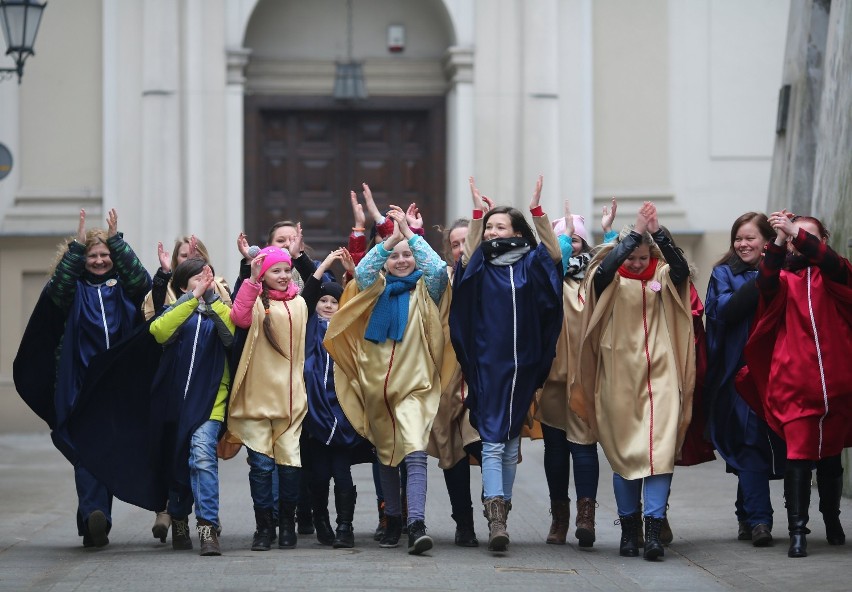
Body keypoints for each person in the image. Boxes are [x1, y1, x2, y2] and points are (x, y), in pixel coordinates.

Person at [14, 208, 151, 548]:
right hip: (80, 387)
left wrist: (116, 241)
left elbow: (143, 283)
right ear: (80, 258)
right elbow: (58, 286)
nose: (100, 260)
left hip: (117, 388)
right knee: (87, 449)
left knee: (107, 448)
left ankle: (93, 522)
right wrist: (78, 245)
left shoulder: (123, 288)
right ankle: (95, 515)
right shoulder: (71, 290)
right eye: (93, 255)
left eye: (105, 254)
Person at [324, 206, 448, 556]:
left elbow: (438, 267)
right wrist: (391, 238)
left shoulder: (427, 290)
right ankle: (392, 518)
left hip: (415, 386)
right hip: (376, 386)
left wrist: (411, 235)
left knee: (414, 449)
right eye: (395, 256)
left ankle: (416, 522)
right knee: (386, 454)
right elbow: (362, 269)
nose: (402, 260)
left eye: (407, 255)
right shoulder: (374, 288)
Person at [574, 202, 694, 561]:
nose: (638, 264)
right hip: (618, 376)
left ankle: (654, 532)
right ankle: (629, 532)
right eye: (633, 257)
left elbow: (683, 268)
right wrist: (632, 237)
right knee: (625, 454)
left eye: (645, 257)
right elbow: (604, 270)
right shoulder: (608, 276)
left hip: (660, 373)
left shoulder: (666, 274)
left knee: (659, 452)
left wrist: (655, 232)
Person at [449, 176, 563, 553]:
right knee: (494, 439)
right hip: (488, 365)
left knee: (510, 440)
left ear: (516, 231)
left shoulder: (531, 263)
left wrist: (537, 211)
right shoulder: (480, 265)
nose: (492, 233)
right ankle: (496, 514)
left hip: (525, 364)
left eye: (500, 226)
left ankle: (501, 508)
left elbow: (554, 259)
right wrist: (478, 214)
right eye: (488, 228)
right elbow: (463, 265)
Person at [738, 212, 851, 558]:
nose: (796, 240)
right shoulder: (781, 279)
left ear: (822, 242)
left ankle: (832, 520)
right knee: (799, 458)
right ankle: (798, 531)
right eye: (792, 237)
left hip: (837, 386)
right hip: (795, 386)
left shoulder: (836, 274)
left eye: (807, 236)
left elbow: (833, 265)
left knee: (831, 457)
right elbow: (766, 278)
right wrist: (777, 239)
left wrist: (795, 233)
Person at [142, 235, 232, 543]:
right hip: (176, 404)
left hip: (210, 403)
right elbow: (158, 331)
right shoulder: (177, 312)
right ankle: (178, 515)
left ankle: (208, 527)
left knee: (202, 457)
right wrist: (191, 299)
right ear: (183, 287)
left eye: (207, 279)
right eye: (197, 280)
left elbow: (232, 334)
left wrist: (212, 298)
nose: (204, 284)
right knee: (179, 463)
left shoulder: (219, 311)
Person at [704, 213, 785, 547]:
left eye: (750, 238)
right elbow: (722, 310)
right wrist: (765, 274)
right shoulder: (724, 273)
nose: (742, 244)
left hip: (778, 372)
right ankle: (761, 521)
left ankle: (745, 514)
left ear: (767, 240)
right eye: (738, 238)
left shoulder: (786, 271)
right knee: (750, 443)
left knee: (758, 445)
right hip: (738, 375)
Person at [224, 245, 309, 551]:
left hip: (289, 401)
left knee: (288, 465)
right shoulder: (257, 302)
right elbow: (239, 317)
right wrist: (251, 277)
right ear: (264, 274)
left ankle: (287, 525)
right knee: (260, 467)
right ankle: (264, 528)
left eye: (287, 270)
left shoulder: (300, 303)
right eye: (276, 270)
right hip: (257, 400)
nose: (284, 276)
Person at [292, 242, 375, 549]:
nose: (327, 305)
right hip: (314, 416)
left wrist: (352, 274)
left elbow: (361, 301)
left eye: (333, 301)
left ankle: (345, 526)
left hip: (342, 415)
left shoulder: (348, 329)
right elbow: (308, 293)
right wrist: (324, 264)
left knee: (341, 474)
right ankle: (322, 521)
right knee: (318, 476)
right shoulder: (307, 326)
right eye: (323, 300)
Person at [534, 201, 600, 548]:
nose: (570, 244)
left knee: (585, 447)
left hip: (584, 377)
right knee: (556, 449)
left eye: (575, 239)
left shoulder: (593, 277)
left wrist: (612, 232)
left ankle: (585, 517)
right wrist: (550, 227)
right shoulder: (548, 279)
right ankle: (559, 516)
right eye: (563, 238)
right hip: (553, 376)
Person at [427, 216, 486, 547]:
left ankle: (495, 512)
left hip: (480, 378)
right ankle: (464, 522)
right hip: (447, 377)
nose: (462, 249)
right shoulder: (442, 280)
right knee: (453, 454)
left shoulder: (493, 277)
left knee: (483, 444)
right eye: (455, 244)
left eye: (468, 241)